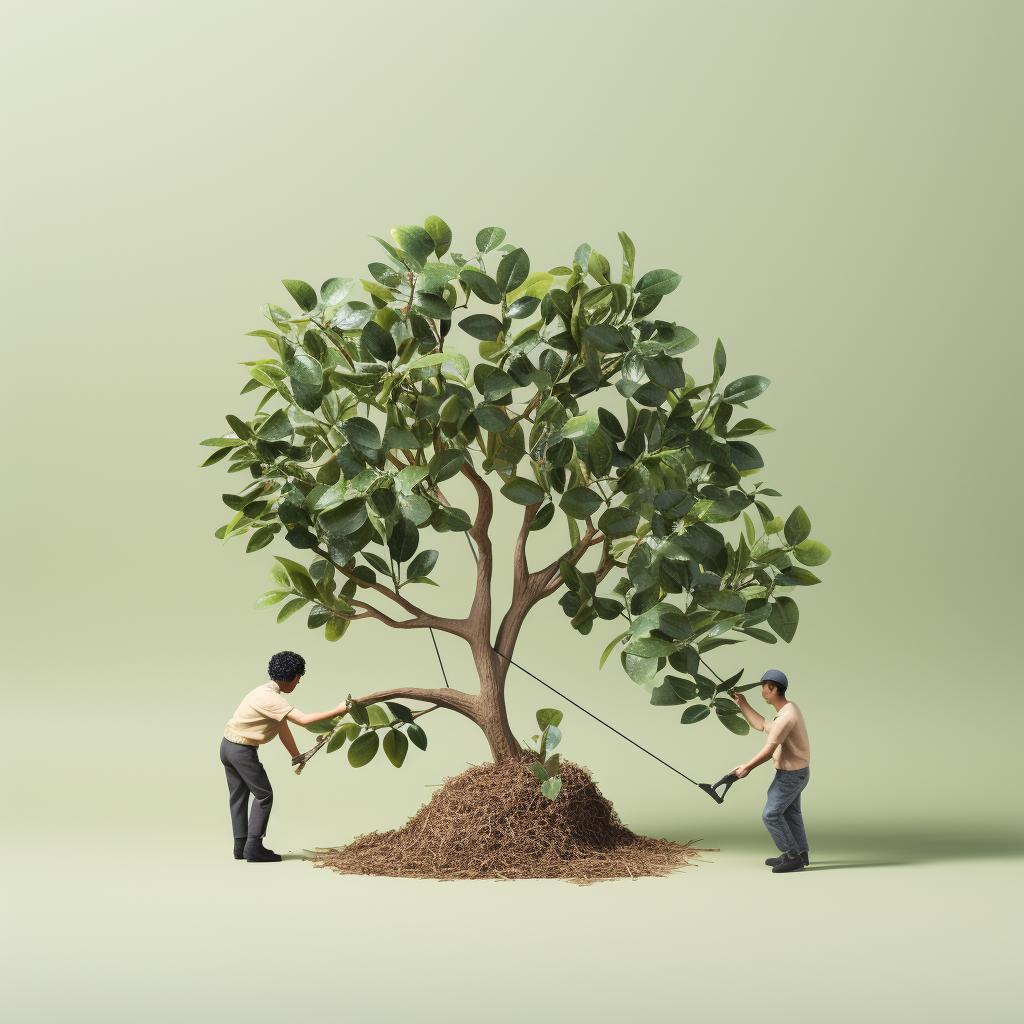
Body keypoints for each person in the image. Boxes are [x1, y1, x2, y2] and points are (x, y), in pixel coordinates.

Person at [219, 651, 348, 862]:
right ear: (294, 676)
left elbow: (282, 726)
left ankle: (240, 846)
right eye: (299, 679)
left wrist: (296, 755)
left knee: (238, 797)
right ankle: (254, 848)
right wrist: (338, 709)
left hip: (227, 746)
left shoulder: (262, 692)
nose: (298, 684)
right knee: (264, 795)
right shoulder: (272, 699)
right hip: (242, 750)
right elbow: (305, 720)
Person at [728, 669, 811, 874]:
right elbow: (763, 725)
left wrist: (746, 767)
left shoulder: (786, 718)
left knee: (771, 815)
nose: (762, 691)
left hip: (791, 775)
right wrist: (743, 704)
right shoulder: (788, 709)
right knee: (791, 814)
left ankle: (792, 856)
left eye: (763, 687)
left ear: (772, 688)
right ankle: (801, 853)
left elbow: (768, 751)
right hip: (795, 773)